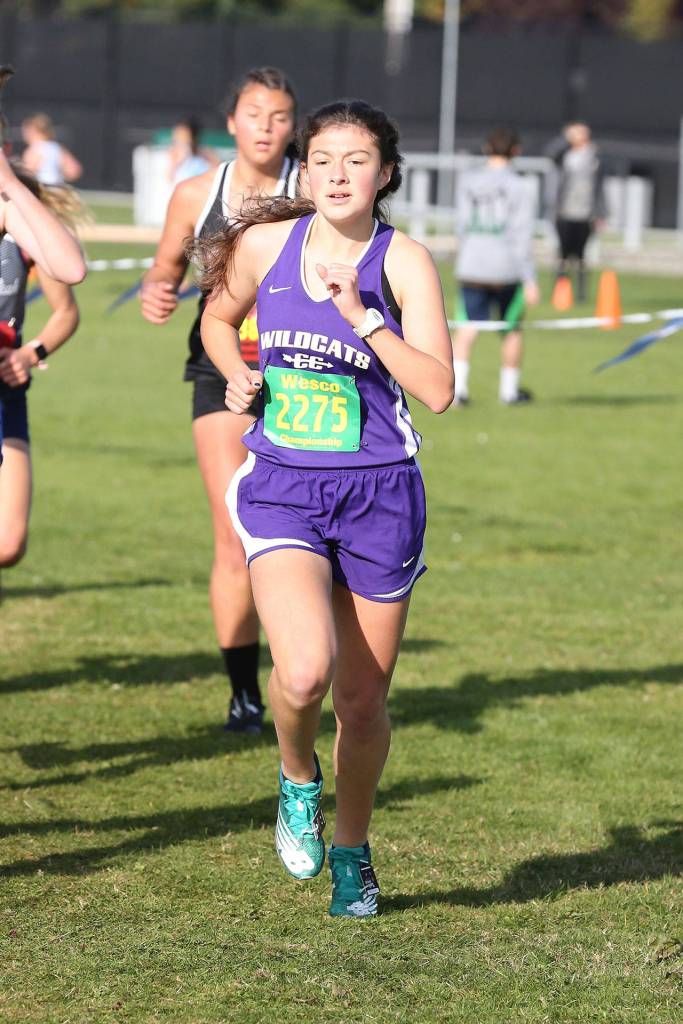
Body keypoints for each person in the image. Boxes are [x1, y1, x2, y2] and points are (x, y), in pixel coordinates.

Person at [192, 100, 453, 917]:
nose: (337, 173)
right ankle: (296, 777)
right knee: (302, 673)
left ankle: (351, 852)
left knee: (362, 702)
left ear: (385, 173)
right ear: (305, 168)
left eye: (357, 159)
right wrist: (234, 371)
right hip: (283, 486)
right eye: (323, 158)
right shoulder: (268, 243)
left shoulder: (402, 260)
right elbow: (216, 316)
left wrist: (362, 318)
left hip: (380, 495)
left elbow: (438, 390)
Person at [140, 68, 299, 734]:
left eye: (281, 115)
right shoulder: (196, 195)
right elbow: (164, 272)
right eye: (254, 113)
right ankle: (244, 694)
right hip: (221, 367)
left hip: (306, 375)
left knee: (309, 533)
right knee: (235, 532)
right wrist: (156, 289)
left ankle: (305, 670)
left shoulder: (315, 190)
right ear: (230, 122)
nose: (267, 125)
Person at [0, 97, 86, 565]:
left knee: (8, 544)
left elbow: (70, 276)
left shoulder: (11, 214)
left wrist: (29, 353)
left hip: (5, 389)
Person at [452, 126, 539, 406]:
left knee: (466, 327)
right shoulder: (522, 186)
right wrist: (530, 279)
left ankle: (459, 390)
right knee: (511, 328)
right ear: (516, 151)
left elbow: (462, 225)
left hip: (472, 265)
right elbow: (521, 235)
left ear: (487, 148)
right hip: (506, 268)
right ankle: (509, 392)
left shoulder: (467, 181)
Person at [545, 121, 606, 302]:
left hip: (586, 213)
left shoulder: (594, 157)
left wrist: (601, 213)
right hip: (564, 212)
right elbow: (550, 153)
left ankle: (580, 294)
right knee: (563, 253)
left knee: (581, 255)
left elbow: (600, 188)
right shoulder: (564, 155)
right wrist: (565, 139)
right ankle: (561, 291)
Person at [20, 113, 83, 186]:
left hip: (42, 190)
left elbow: (27, 173)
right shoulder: (57, 148)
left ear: (33, 131)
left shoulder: (34, 149)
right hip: (58, 189)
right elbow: (74, 171)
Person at [167, 117, 220, 186]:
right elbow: (170, 178)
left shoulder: (205, 153)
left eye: (184, 136)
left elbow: (218, 171)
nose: (181, 141)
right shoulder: (174, 153)